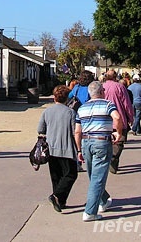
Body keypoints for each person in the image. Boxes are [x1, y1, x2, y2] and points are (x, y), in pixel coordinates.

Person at [74, 81, 123, 222]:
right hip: (101, 141)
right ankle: (90, 211)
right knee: (97, 177)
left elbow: (77, 131)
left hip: (86, 141)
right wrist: (118, 132)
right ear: (102, 91)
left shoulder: (82, 108)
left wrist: (79, 150)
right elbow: (117, 117)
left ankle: (104, 200)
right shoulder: (108, 104)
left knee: (93, 175)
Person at [37, 85, 78, 213]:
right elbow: (74, 131)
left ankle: (60, 200)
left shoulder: (47, 112)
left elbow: (40, 129)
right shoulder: (71, 112)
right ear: (67, 98)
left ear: (54, 97)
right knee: (71, 174)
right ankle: (57, 197)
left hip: (51, 148)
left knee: (56, 176)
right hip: (67, 148)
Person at [102, 69, 134, 174]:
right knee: (119, 142)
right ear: (116, 77)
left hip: (104, 120)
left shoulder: (101, 87)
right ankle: (113, 159)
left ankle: (111, 161)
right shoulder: (120, 87)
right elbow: (126, 104)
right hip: (118, 119)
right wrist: (131, 117)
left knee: (106, 141)